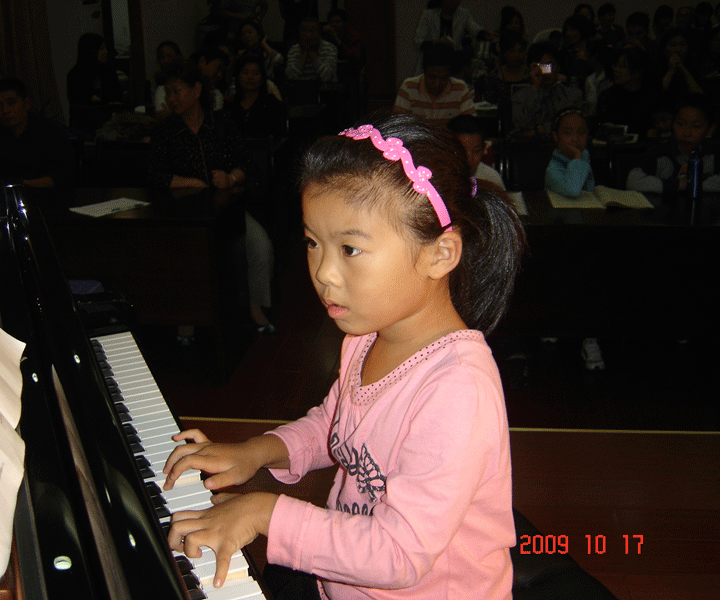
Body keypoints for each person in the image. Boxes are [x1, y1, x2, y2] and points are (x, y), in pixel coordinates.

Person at [161, 112, 524, 599]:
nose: (323, 273)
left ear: (439, 254)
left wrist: (265, 512)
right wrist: (258, 451)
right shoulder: (367, 336)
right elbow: (336, 425)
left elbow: (399, 555)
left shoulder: (458, 389)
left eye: (350, 249)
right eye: (313, 242)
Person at [147, 62, 275, 332]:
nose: (171, 99)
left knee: (260, 247)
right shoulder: (164, 131)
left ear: (196, 90)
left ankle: (255, 305)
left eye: (176, 91)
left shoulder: (222, 123)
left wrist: (230, 178)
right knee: (185, 253)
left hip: (227, 210)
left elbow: (247, 164)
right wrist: (189, 182)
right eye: (168, 93)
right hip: (185, 213)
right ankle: (188, 316)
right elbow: (154, 175)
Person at [544, 108, 605, 371]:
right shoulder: (553, 166)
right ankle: (556, 323)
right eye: (567, 133)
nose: (575, 139)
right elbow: (571, 189)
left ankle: (589, 335)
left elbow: (588, 191)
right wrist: (578, 158)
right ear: (555, 137)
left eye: (581, 132)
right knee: (563, 278)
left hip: (585, 228)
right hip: (559, 233)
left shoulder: (586, 157)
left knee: (591, 279)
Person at [0, 78, 75, 189]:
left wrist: (21, 185)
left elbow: (63, 176)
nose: (5, 110)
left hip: (49, 195)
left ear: (27, 103)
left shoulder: (50, 131)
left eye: (11, 103)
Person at [627, 94, 720, 193]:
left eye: (696, 126)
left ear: (710, 129)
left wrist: (694, 184)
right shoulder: (661, 152)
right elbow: (633, 181)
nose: (687, 133)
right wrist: (679, 184)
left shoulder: (715, 152)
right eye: (680, 124)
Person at [511, 42, 583, 138]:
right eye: (541, 66)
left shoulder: (572, 94)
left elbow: (571, 124)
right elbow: (522, 125)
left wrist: (544, 129)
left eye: (549, 65)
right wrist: (535, 87)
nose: (546, 71)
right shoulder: (519, 96)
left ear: (558, 66)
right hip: (529, 145)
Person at [394, 43, 475, 127]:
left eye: (443, 78)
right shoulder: (409, 87)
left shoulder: (460, 89)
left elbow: (469, 126)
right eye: (432, 77)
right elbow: (400, 125)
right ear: (424, 71)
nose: (437, 83)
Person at [66, 32, 123, 136]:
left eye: (105, 48)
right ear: (91, 51)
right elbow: (76, 105)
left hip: (108, 125)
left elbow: (117, 97)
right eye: (101, 49)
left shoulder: (108, 72)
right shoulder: (75, 75)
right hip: (84, 129)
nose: (106, 52)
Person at [413, 0, 491, 75]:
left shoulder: (464, 14)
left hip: (453, 64)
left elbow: (474, 29)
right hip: (431, 63)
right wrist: (437, 43)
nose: (456, 1)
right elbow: (418, 42)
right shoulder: (428, 15)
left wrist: (483, 34)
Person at [595, 46, 654, 135]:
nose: (615, 70)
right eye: (615, 65)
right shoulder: (607, 97)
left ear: (637, 72)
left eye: (622, 66)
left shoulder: (651, 96)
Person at [226, 54, 287, 138]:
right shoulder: (231, 105)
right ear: (238, 76)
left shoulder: (271, 104)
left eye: (255, 73)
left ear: (262, 78)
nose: (250, 77)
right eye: (245, 73)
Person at [448, 114, 506, 189]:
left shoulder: (491, 179)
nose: (469, 159)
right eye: (462, 151)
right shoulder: (437, 177)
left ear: (484, 148)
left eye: (476, 151)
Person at [285, 18, 338, 82]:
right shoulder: (293, 50)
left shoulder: (329, 48)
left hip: (324, 87)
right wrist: (303, 53)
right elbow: (290, 76)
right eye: (305, 31)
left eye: (312, 31)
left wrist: (312, 53)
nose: (308, 35)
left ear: (319, 33)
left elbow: (328, 77)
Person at [153, 41, 183, 119]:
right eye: (162, 58)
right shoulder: (161, 86)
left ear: (178, 56)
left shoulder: (186, 79)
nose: (165, 61)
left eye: (169, 56)